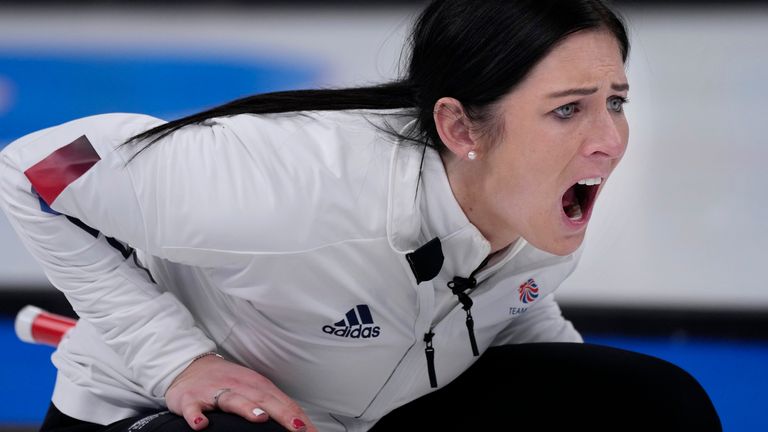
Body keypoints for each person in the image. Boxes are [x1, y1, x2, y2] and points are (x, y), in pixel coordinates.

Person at [0, 0, 721, 431]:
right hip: (174, 418)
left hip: (377, 412)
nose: (609, 140)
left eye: (615, 101)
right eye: (568, 110)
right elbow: (33, 171)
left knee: (651, 407)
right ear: (461, 127)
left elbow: (500, 306)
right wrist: (176, 360)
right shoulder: (295, 187)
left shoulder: (542, 203)